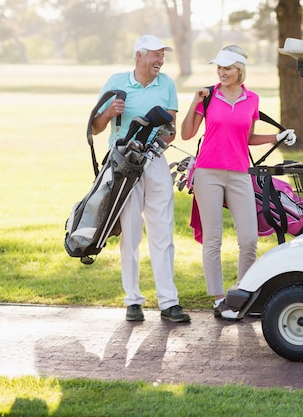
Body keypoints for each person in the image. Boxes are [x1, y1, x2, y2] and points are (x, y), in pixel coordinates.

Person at [180, 45, 296, 320]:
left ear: (240, 70)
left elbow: (246, 138)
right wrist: (193, 102)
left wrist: (275, 137)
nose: (222, 72)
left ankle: (242, 294)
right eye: (219, 68)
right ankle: (220, 299)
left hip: (241, 173)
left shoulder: (252, 99)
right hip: (208, 172)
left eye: (227, 68)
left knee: (248, 238)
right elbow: (186, 134)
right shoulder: (208, 96)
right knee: (213, 239)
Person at [91, 34, 190, 323]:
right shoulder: (116, 82)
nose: (160, 60)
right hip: (123, 165)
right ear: (139, 56)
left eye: (163, 55)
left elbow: (170, 130)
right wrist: (109, 112)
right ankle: (133, 301)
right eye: (155, 55)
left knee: (163, 233)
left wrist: (155, 147)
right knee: (131, 234)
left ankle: (169, 303)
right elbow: (96, 128)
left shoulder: (167, 84)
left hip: (155, 164)